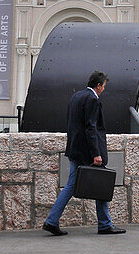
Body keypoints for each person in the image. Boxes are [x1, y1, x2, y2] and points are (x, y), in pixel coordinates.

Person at [43, 71, 125, 236]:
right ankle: (104, 224)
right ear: (98, 85)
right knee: (101, 183)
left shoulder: (77, 97)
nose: (103, 90)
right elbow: (91, 127)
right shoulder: (93, 100)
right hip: (88, 151)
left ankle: (52, 221)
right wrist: (96, 153)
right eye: (103, 87)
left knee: (72, 185)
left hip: (75, 148)